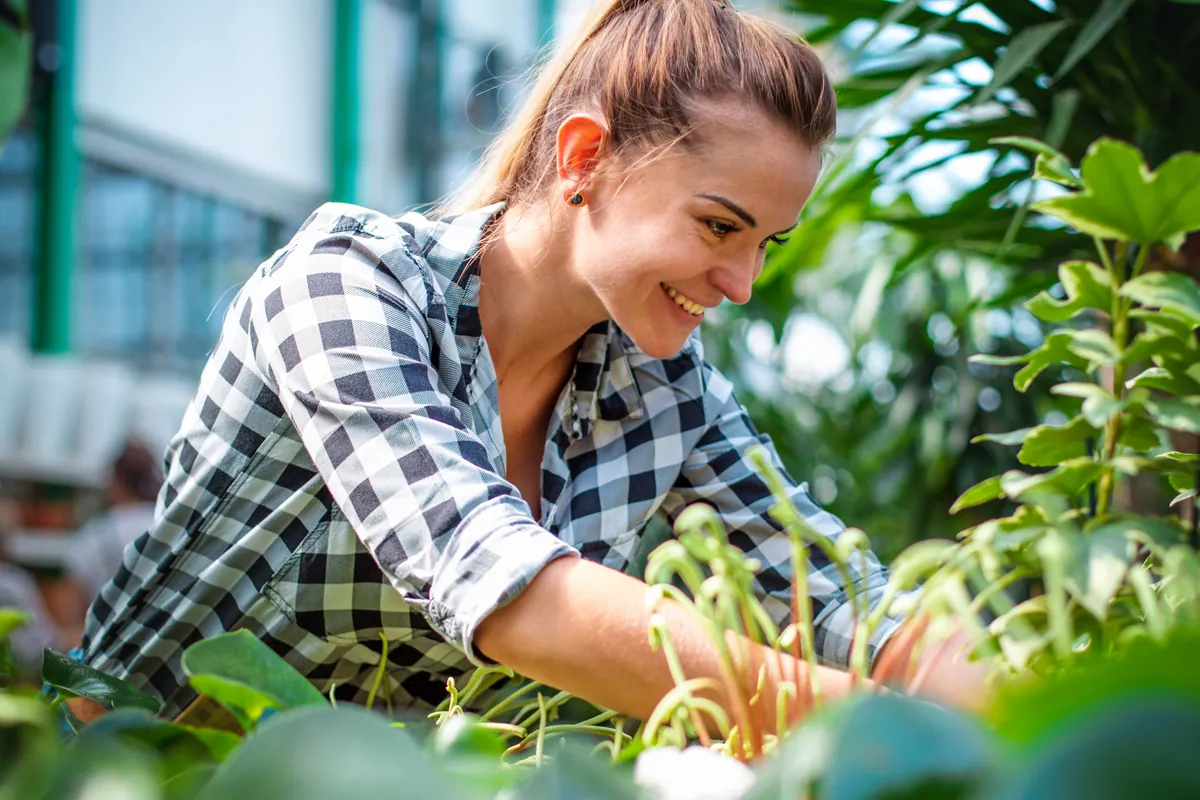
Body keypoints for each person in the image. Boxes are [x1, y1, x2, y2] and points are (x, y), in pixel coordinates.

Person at [72, 0, 984, 727]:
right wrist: (872, 721)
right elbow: (507, 589)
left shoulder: (665, 390)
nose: (741, 282)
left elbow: (837, 600)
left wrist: (1033, 714)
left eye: (767, 245)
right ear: (585, 156)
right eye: (718, 226)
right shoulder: (345, 288)